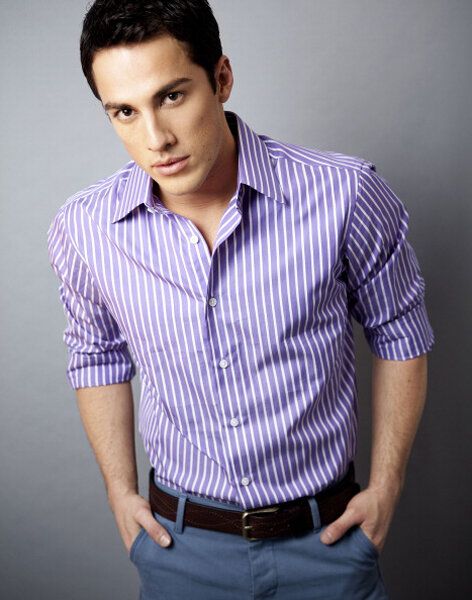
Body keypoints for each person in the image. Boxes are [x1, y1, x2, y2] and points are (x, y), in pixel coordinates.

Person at [46, 1, 434, 598]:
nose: (155, 138)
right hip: (180, 550)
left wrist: (387, 485)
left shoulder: (346, 194)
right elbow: (96, 357)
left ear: (221, 78)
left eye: (172, 96)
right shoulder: (84, 229)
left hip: (329, 544)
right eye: (124, 111)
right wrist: (120, 493)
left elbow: (400, 331)